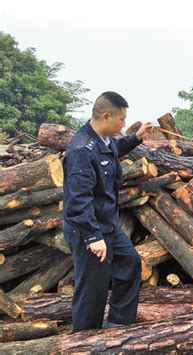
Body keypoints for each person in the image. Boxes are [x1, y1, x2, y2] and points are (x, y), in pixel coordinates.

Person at [62, 91, 152, 332]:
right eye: (122, 119)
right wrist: (93, 237)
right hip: (87, 228)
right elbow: (78, 201)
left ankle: (119, 324)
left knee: (130, 262)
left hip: (107, 223)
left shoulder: (103, 139)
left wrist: (136, 138)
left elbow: (115, 148)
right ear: (105, 116)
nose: (124, 123)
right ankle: (84, 339)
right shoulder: (81, 149)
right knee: (93, 287)